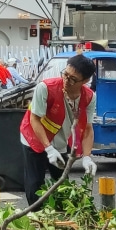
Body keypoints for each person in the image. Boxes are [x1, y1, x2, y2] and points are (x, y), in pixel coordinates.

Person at [20, 54, 98, 208]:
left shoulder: (89, 97)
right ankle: (36, 218)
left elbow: (88, 129)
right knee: (35, 183)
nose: (66, 80)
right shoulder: (45, 87)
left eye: (73, 79)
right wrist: (48, 148)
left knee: (62, 184)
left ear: (85, 81)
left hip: (60, 141)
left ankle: (59, 219)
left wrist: (87, 157)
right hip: (34, 137)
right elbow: (35, 119)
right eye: (65, 74)